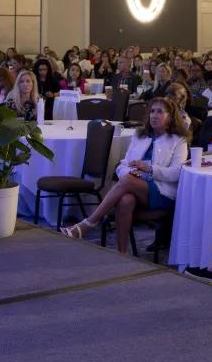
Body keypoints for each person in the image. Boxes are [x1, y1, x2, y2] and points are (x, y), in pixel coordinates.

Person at [61, 98, 188, 250]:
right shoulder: (140, 136)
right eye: (152, 111)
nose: (154, 115)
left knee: (128, 181)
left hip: (162, 192)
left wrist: (149, 169)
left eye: (160, 111)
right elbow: (122, 165)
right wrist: (132, 172)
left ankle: (88, 224)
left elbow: (177, 173)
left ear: (171, 117)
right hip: (135, 185)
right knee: (125, 200)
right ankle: (122, 253)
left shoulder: (178, 140)